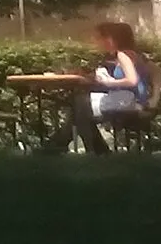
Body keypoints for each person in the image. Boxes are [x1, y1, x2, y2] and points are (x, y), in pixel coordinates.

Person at [49, 21, 152, 154]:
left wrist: (109, 82)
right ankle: (87, 147)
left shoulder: (123, 55)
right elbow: (150, 72)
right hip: (133, 100)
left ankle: (75, 145)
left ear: (111, 39)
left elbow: (132, 80)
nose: (99, 42)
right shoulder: (133, 55)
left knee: (79, 105)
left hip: (127, 101)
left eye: (100, 38)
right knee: (80, 109)